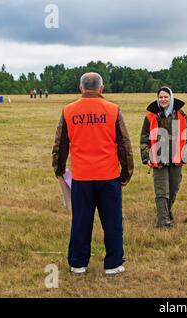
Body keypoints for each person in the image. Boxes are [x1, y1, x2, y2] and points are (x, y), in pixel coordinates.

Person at [52, 72, 134, 275]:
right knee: (112, 221)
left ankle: (78, 264)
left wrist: (59, 169)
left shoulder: (68, 110)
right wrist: (126, 173)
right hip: (109, 176)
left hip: (82, 177)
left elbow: (60, 144)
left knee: (81, 221)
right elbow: (125, 144)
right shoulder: (113, 110)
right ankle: (113, 264)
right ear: (101, 88)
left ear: (81, 89)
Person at [140, 86, 187, 228]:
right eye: (160, 97)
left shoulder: (182, 116)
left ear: (171, 98)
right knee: (162, 191)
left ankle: (166, 212)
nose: (163, 99)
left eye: (165, 97)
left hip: (176, 160)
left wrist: (184, 156)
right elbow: (144, 138)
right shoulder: (150, 117)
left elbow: (186, 137)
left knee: (173, 189)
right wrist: (146, 157)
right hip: (158, 159)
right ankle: (162, 221)